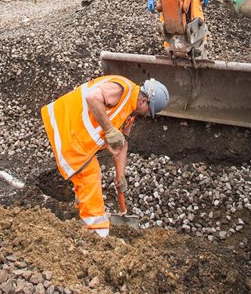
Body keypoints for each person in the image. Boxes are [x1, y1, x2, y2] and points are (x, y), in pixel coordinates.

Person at [42, 75, 169, 237]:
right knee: (89, 173)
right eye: (148, 111)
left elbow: (122, 143)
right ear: (144, 102)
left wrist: (121, 176)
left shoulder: (130, 112)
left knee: (86, 175)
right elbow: (92, 97)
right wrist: (109, 129)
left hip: (79, 138)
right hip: (67, 127)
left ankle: (79, 212)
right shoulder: (122, 88)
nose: (146, 114)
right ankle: (98, 234)